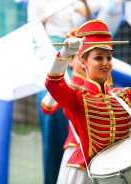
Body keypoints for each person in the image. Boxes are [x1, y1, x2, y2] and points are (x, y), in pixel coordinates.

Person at [45, 19, 131, 183]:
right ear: (83, 62)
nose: (105, 63)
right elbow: (53, 84)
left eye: (109, 57)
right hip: (84, 173)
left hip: (119, 174)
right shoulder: (76, 96)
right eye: (98, 58)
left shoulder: (124, 95)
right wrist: (64, 55)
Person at [27, 1, 91, 183]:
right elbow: (31, 29)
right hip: (51, 49)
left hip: (73, 46)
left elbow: (86, 13)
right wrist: (41, 20)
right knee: (53, 112)